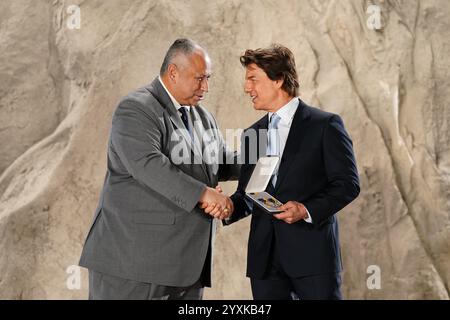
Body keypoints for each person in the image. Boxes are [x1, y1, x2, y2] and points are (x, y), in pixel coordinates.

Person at [79, 38, 238, 300]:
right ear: (173, 72)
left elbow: (220, 160)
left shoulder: (203, 117)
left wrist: (265, 162)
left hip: (186, 268)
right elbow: (148, 164)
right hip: (133, 266)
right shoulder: (136, 109)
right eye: (199, 78)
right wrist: (204, 194)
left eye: (208, 78)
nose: (206, 87)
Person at [204, 44, 360, 299]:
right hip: (264, 261)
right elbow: (249, 194)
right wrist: (228, 206)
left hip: (312, 258)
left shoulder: (325, 125)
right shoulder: (252, 133)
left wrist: (306, 209)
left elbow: (347, 184)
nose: (247, 88)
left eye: (253, 79)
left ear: (278, 79)